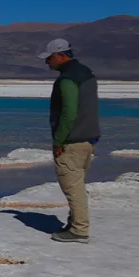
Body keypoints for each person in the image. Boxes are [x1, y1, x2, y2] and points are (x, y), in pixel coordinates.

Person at [38, 38, 100, 244]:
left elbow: (69, 113)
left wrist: (59, 141)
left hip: (72, 142)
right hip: (88, 138)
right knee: (78, 185)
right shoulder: (86, 73)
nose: (48, 62)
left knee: (73, 188)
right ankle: (74, 224)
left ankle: (79, 231)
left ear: (61, 55)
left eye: (49, 58)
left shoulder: (68, 79)